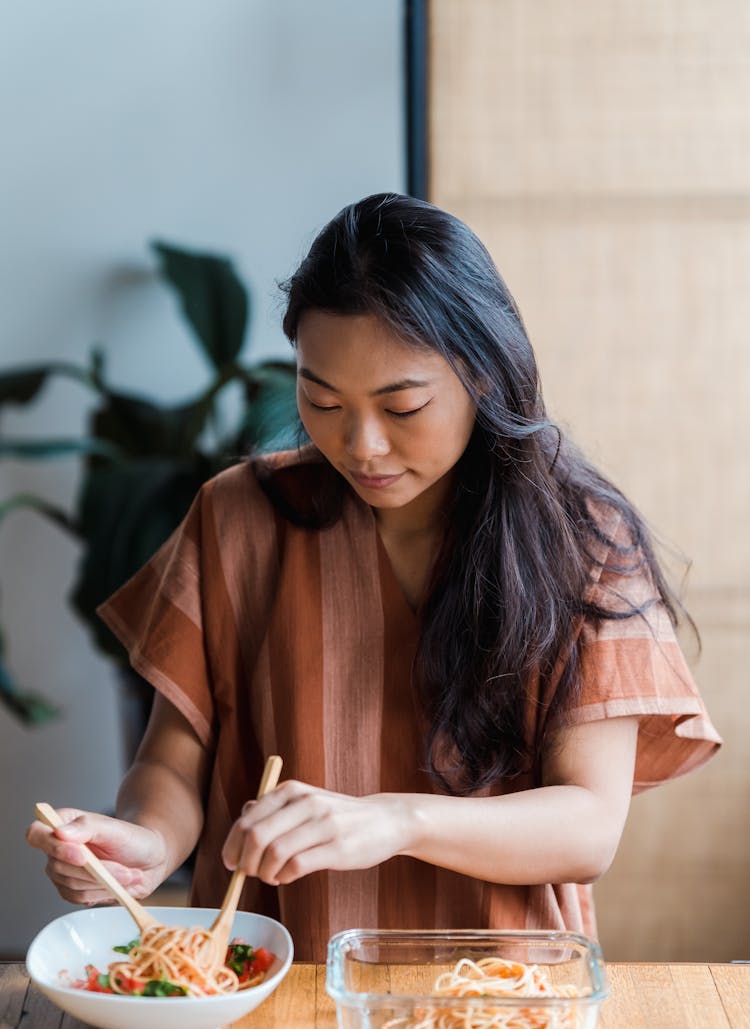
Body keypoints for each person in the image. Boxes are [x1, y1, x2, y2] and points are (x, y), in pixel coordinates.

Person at [26, 193, 721, 961]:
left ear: (485, 375)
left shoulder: (583, 539)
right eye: (322, 399)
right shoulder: (238, 516)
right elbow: (170, 759)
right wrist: (147, 843)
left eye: (402, 406)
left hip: (503, 992)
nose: (361, 445)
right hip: (277, 978)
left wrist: (395, 820)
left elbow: (590, 826)